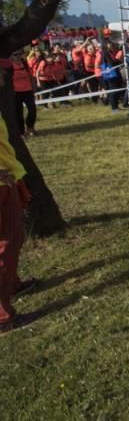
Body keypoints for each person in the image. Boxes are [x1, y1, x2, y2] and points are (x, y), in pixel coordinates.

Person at [0, 82, 35, 334]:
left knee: (12, 237)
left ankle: (11, 283)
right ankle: (3, 315)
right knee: (6, 242)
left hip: (7, 176)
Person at [11, 51, 36, 137]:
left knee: (32, 110)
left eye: (19, 54)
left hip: (28, 90)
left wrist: (33, 87)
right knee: (19, 113)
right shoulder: (9, 65)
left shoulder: (24, 63)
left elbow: (30, 76)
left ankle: (30, 127)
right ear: (11, 56)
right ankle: (21, 132)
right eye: (15, 54)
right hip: (16, 92)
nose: (18, 56)